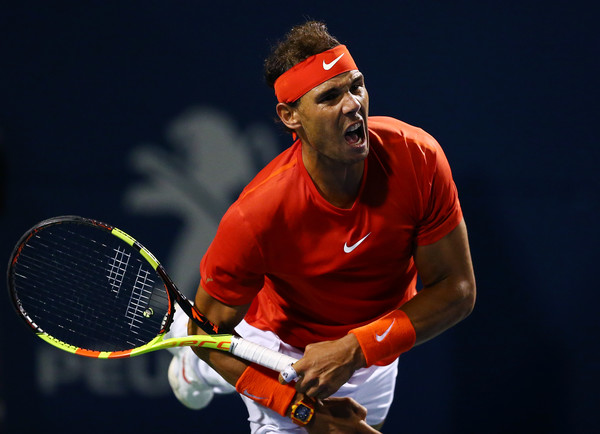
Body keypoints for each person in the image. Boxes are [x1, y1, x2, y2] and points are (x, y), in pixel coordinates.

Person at [167, 20, 476, 433]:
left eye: (356, 86)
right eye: (330, 97)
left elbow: (457, 290)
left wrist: (355, 348)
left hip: (373, 347)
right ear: (290, 116)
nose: (353, 104)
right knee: (199, 347)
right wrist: (302, 411)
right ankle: (191, 371)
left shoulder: (418, 158)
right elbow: (205, 333)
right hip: (279, 349)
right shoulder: (256, 215)